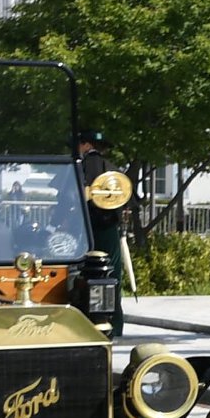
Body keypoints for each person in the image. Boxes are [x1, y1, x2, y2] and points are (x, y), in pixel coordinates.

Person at [76, 130, 126, 336]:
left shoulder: (85, 166)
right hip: (110, 228)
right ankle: (116, 322)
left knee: (88, 276)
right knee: (112, 274)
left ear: (86, 145)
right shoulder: (111, 170)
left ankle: (93, 322)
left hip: (89, 229)